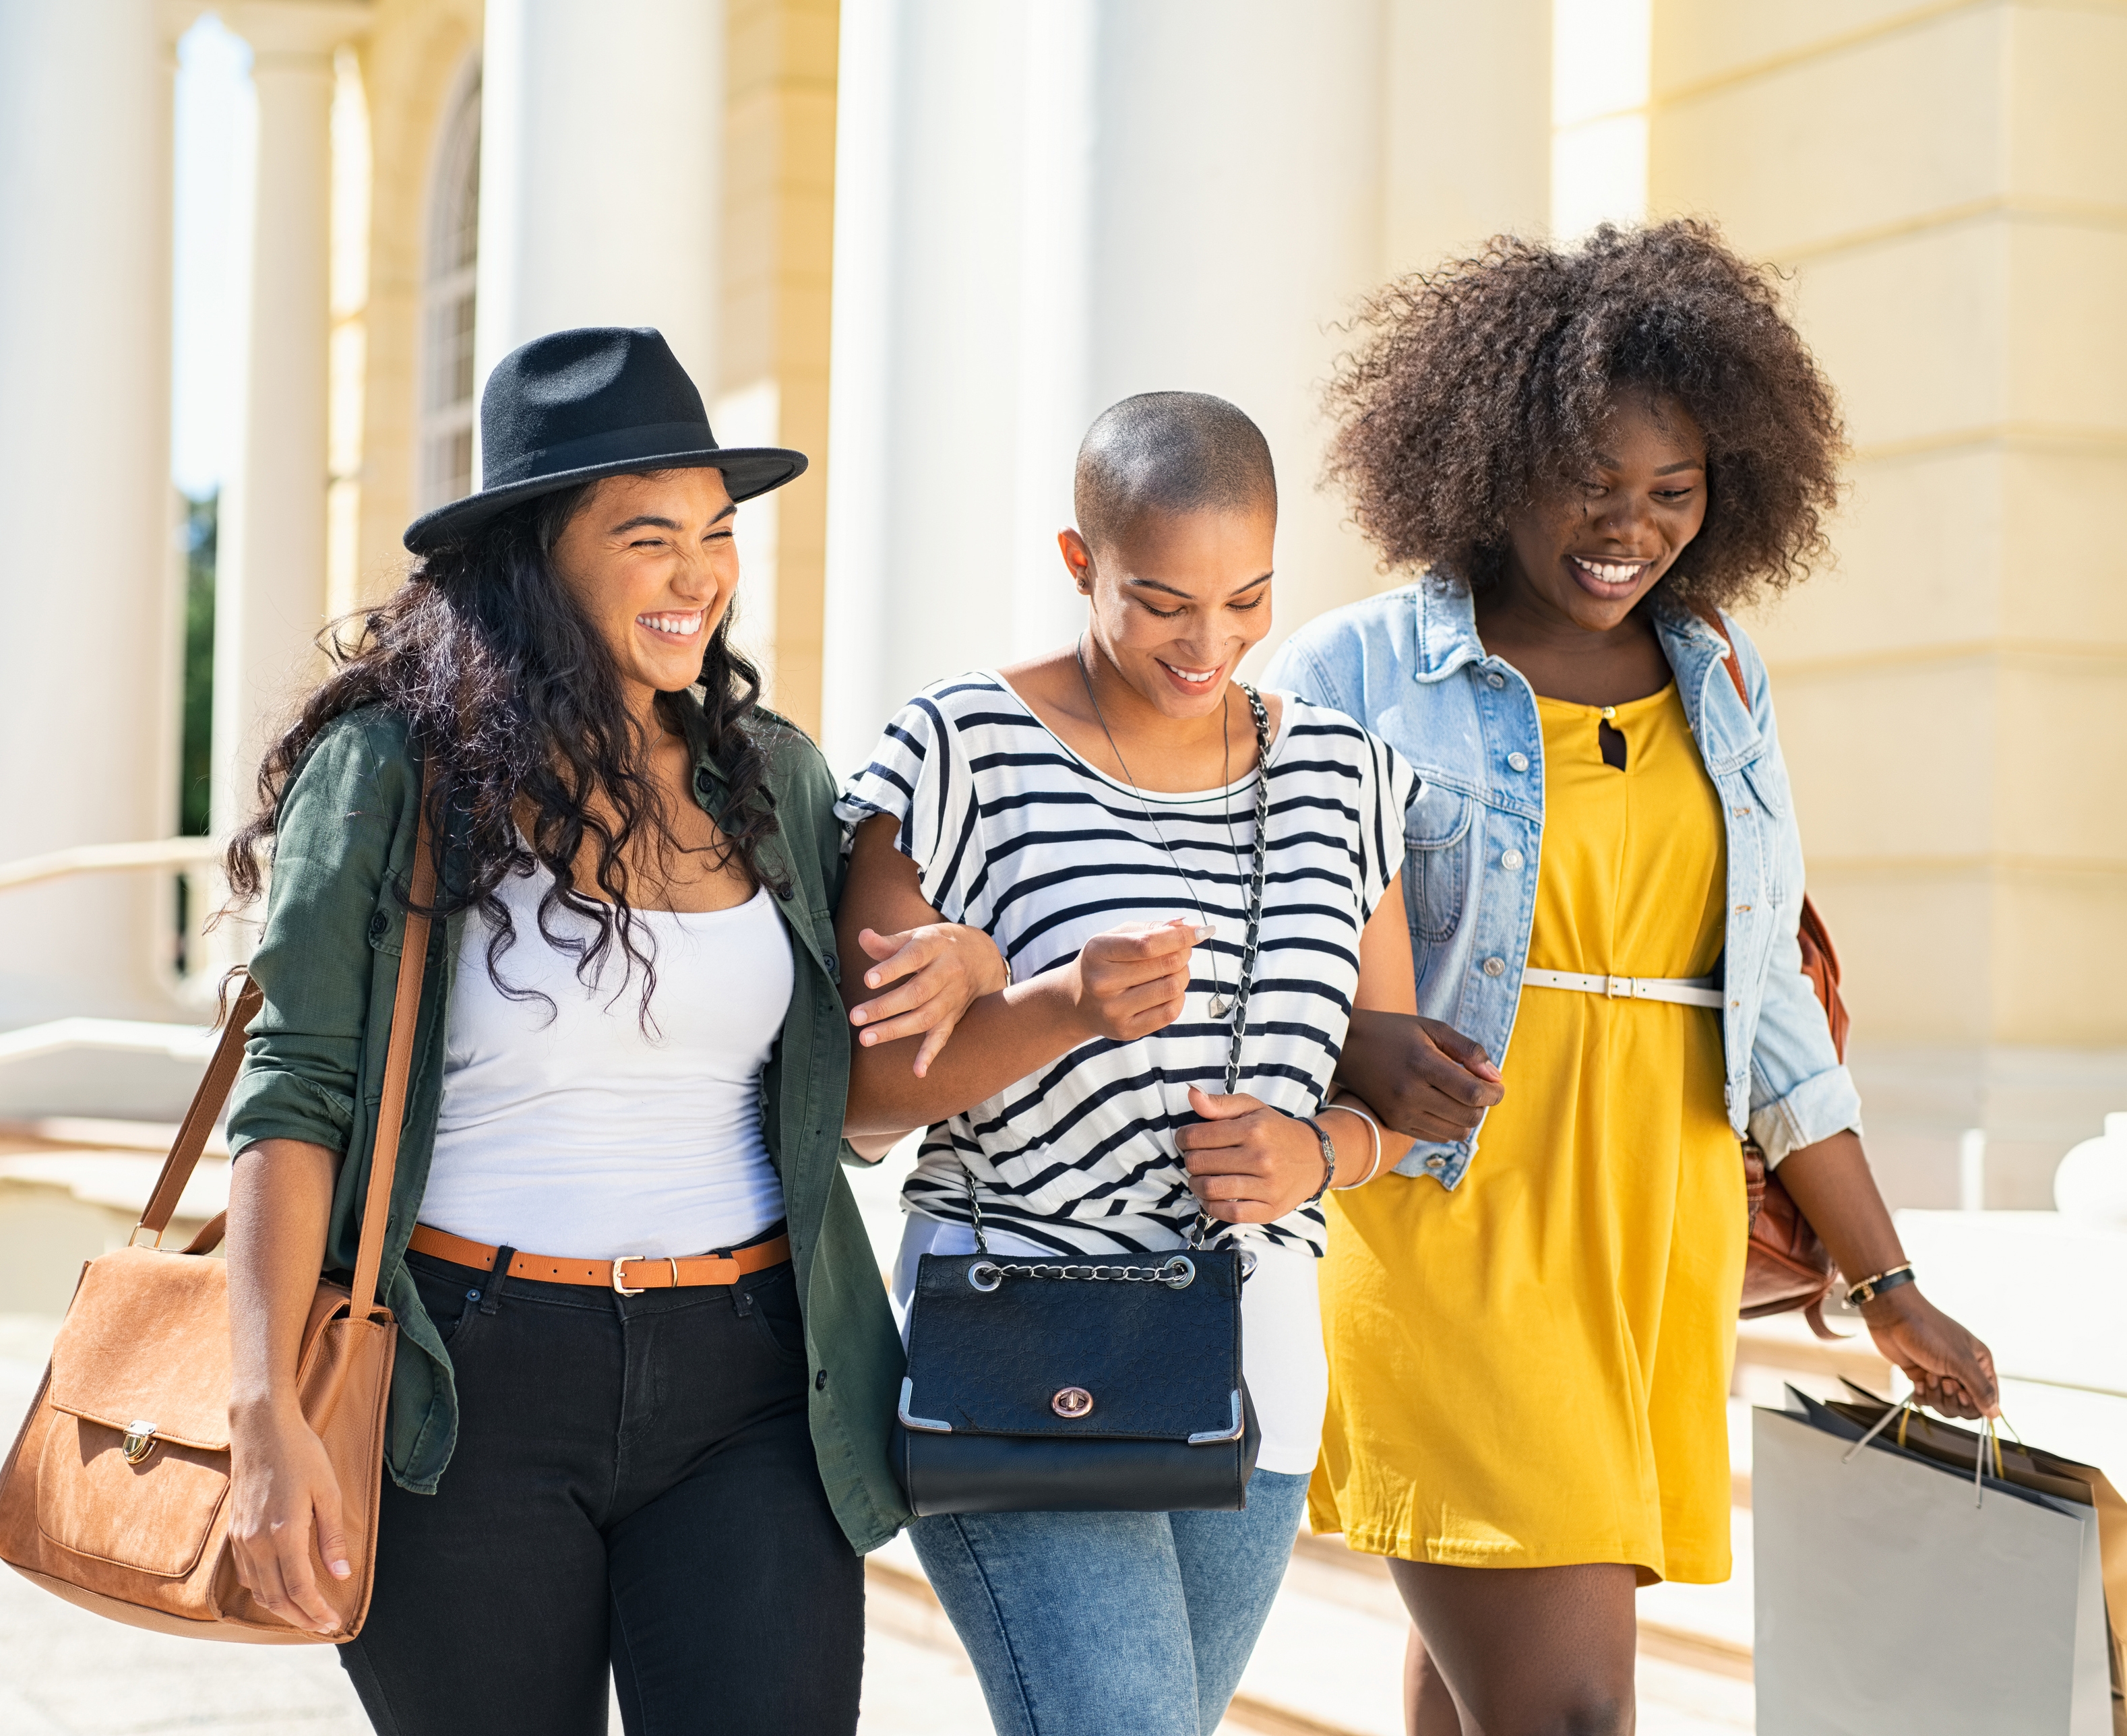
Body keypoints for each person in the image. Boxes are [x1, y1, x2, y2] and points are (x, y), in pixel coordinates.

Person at [1266, 222, 2002, 1736]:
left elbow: (1774, 1005)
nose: (1633, 527)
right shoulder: (1353, 672)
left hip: (1655, 1220)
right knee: (1573, 1708)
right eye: (1593, 486)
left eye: (1674, 492)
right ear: (1489, 463)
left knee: (1487, 1699)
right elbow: (1252, 926)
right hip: (1454, 1207)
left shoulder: (1722, 675)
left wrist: (1891, 1282)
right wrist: (1356, 1031)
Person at [218, 328, 1001, 1736]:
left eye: (718, 531)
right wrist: (263, 1408)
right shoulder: (393, 771)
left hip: (755, 1376)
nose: (703, 572)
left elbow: (865, 1090)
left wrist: (972, 963)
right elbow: (295, 1095)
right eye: (651, 535)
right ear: (535, 548)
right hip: (462, 1385)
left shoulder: (768, 778)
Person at [836, 392, 1423, 1736]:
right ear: (1077, 560)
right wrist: (1060, 1004)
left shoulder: (1345, 781)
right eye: (1163, 602)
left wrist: (1317, 1153)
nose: (1209, 642)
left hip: (1255, 1357)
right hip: (1018, 1334)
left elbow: (1389, 1090)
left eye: (1248, 599)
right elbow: (863, 1105)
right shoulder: (961, 754)